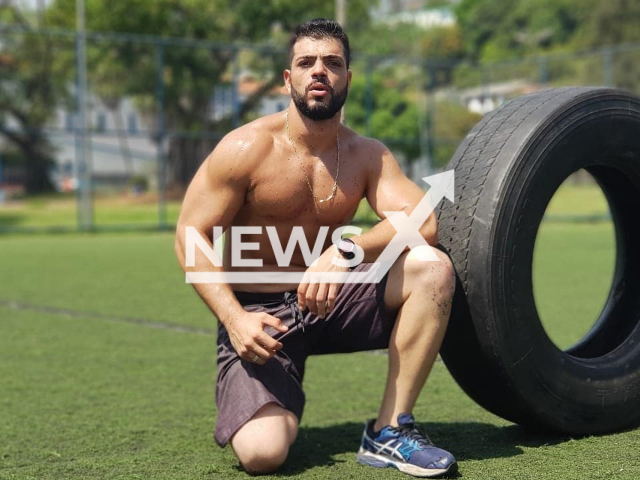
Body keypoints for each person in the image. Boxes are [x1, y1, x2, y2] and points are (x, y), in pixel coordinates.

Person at [175, 18, 457, 478]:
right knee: (263, 455)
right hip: (261, 315)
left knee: (431, 268)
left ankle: (390, 430)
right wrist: (234, 319)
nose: (319, 72)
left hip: (334, 301)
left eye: (333, 63)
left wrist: (346, 253)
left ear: (347, 77)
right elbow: (190, 234)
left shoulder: (367, 154)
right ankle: (260, 394)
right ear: (289, 79)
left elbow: (423, 221)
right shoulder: (245, 147)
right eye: (306, 63)